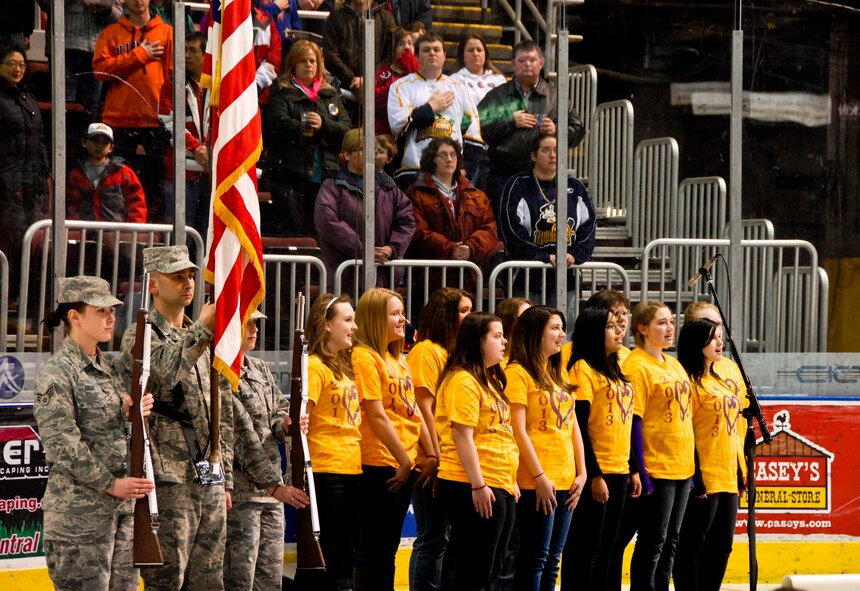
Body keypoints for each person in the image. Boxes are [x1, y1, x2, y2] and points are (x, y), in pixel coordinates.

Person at [118, 245, 234, 591]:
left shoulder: (198, 336)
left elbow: (220, 408)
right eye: (176, 276)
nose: (188, 284)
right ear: (153, 284)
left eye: (190, 277)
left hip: (208, 473)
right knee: (168, 579)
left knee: (210, 578)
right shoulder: (141, 335)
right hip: (169, 476)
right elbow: (165, 373)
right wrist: (201, 329)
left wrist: (223, 468)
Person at [34, 276, 155, 591]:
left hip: (120, 510)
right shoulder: (58, 373)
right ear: (74, 316)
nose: (111, 318)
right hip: (79, 518)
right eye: (101, 311)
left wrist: (131, 415)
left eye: (112, 310)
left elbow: (112, 432)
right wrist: (111, 484)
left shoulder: (111, 368)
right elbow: (63, 444)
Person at [351, 288, 437, 591]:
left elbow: (413, 413)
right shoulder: (364, 356)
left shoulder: (397, 357)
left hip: (405, 463)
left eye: (403, 312)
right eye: (396, 314)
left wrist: (431, 455)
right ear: (375, 318)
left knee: (387, 548)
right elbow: (376, 414)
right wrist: (404, 459)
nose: (404, 319)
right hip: (378, 463)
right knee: (372, 547)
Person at [224, 309, 310, 590]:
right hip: (242, 495)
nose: (254, 329)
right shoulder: (221, 373)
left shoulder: (259, 368)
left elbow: (276, 409)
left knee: (270, 580)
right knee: (240, 580)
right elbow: (241, 437)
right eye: (246, 323)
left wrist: (286, 425)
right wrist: (274, 486)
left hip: (271, 493)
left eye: (256, 323)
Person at [435, 311, 518, 591]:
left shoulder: (490, 379)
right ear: (477, 341)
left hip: (498, 480)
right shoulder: (463, 380)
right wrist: (478, 484)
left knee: (491, 568)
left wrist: (511, 480)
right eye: (497, 336)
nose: (504, 341)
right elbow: (462, 435)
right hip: (469, 482)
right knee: (474, 571)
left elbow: (500, 432)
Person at [505, 306, 586, 591]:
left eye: (562, 328)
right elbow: (518, 430)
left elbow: (572, 425)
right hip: (535, 480)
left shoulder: (557, 373)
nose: (562, 334)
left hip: (567, 478)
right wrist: (539, 477)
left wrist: (582, 472)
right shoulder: (516, 373)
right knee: (534, 559)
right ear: (533, 332)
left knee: (553, 560)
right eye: (554, 328)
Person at [562, 307, 639, 591]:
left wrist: (632, 469)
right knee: (586, 549)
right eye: (610, 327)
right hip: (599, 470)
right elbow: (580, 426)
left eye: (619, 326)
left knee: (609, 548)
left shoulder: (615, 365)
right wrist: (594, 474)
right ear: (595, 331)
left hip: (619, 469)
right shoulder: (582, 368)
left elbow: (625, 421)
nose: (619, 330)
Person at [622, 301, 694, 591]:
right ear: (642, 328)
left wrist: (691, 468)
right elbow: (634, 421)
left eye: (671, 322)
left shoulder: (673, 363)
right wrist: (640, 468)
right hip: (657, 465)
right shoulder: (636, 365)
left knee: (672, 541)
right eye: (661, 323)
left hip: (681, 466)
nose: (669, 328)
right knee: (653, 540)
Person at [406, 287, 473, 591]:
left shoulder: (453, 354)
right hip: (431, 460)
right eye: (463, 311)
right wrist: (435, 454)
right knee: (431, 536)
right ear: (445, 315)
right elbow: (423, 407)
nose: (469, 317)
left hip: (447, 458)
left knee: (444, 538)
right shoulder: (426, 351)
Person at [672, 318, 745, 591]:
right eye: (713, 337)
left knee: (722, 546)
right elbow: (684, 430)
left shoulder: (718, 378)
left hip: (728, 474)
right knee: (692, 544)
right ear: (696, 342)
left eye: (721, 336)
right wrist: (697, 477)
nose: (720, 342)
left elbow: (734, 428)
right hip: (703, 475)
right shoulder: (687, 382)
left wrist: (739, 470)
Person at [93, 0, 173, 223]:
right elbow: (100, 71)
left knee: (156, 186)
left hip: (156, 120)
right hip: (119, 119)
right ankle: (114, 240)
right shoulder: (111, 33)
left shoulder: (167, 33)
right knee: (114, 184)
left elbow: (173, 76)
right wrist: (139, 55)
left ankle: (155, 240)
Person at [478, 41, 585, 207]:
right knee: (506, 227)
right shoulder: (497, 96)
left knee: (542, 227)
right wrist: (510, 121)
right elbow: (481, 128)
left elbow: (578, 130)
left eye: (532, 60)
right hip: (504, 176)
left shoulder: (556, 97)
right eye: (522, 61)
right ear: (513, 64)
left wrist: (557, 130)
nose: (527, 64)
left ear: (541, 63)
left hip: (544, 178)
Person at [264, 40, 351, 237]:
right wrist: (305, 127)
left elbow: (346, 128)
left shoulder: (330, 93)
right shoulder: (282, 89)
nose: (309, 65)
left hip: (325, 172)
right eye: (303, 61)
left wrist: (323, 124)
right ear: (293, 64)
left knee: (320, 231)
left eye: (312, 61)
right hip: (289, 172)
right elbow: (276, 122)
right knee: (293, 230)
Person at [306, 293, 363, 591]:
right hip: (326, 469)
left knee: (347, 551)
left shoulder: (346, 366)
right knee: (332, 554)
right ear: (327, 325)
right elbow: (302, 418)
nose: (354, 327)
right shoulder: (315, 366)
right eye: (348, 320)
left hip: (351, 467)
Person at [498, 133, 595, 307]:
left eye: (557, 150)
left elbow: (588, 226)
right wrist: (540, 256)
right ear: (533, 155)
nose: (553, 155)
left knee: (563, 330)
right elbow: (510, 228)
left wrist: (575, 254)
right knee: (525, 328)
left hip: (566, 278)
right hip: (526, 277)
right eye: (546, 150)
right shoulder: (517, 185)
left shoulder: (575, 187)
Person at [314, 128, 415, 293]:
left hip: (382, 276)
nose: (370, 154)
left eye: (372, 150)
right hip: (345, 277)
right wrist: (363, 249)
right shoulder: (332, 185)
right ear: (346, 155)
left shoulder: (389, 187)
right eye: (362, 149)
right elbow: (328, 222)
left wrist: (391, 248)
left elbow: (407, 221)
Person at [387, 32, 482, 190]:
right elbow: (398, 125)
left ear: (444, 55)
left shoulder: (460, 88)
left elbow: (474, 136)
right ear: (416, 56)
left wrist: (466, 170)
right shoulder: (401, 86)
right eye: (426, 50)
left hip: (451, 172)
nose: (432, 53)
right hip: (413, 171)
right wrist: (430, 108)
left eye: (436, 50)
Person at [405, 137, 500, 294]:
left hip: (468, 278)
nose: (449, 159)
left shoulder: (475, 194)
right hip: (431, 279)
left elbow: (489, 229)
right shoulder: (417, 193)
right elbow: (417, 230)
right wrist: (449, 249)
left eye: (453, 154)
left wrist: (470, 247)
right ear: (432, 159)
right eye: (442, 155)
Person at [0, 43, 50, 292]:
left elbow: (40, 141)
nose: (17, 68)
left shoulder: (28, 98)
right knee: (10, 241)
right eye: (11, 63)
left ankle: (26, 298)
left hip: (33, 184)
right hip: (6, 182)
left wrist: (45, 173)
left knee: (33, 242)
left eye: (21, 64)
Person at [159, 31, 211, 240]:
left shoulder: (218, 86)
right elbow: (168, 122)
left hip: (210, 174)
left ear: (205, 54)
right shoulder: (172, 83)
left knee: (208, 239)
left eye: (192, 50)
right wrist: (198, 148)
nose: (187, 55)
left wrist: (209, 151)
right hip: (181, 174)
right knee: (178, 240)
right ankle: (168, 275)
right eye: (184, 50)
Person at [37, 0, 123, 118]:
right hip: (65, 47)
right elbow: (46, 4)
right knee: (65, 105)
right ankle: (68, 136)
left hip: (97, 49)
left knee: (92, 106)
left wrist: (105, 8)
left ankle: (89, 135)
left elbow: (118, 15)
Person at [449, 34, 506, 190]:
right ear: (462, 55)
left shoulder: (499, 79)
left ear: (485, 54)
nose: (475, 53)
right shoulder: (454, 80)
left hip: (497, 146)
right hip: (471, 147)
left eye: (479, 49)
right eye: (470, 50)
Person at [67, 123, 148, 223]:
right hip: (85, 234)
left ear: (111, 148)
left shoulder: (124, 173)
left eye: (105, 142)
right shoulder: (76, 175)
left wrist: (133, 231)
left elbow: (137, 204)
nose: (99, 146)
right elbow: (73, 206)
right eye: (95, 141)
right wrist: (76, 229)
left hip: (116, 234)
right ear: (84, 143)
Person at [321, 0, 395, 102]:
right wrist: (352, 79)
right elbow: (330, 55)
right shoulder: (335, 18)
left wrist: (371, 79)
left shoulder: (386, 18)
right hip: (344, 91)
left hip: (378, 92)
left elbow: (390, 56)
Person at [375, 28, 419, 135]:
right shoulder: (383, 72)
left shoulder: (418, 71)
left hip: (412, 130)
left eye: (410, 44)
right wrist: (401, 77)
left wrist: (413, 71)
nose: (407, 48)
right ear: (393, 49)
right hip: (384, 131)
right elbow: (377, 101)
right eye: (401, 44)